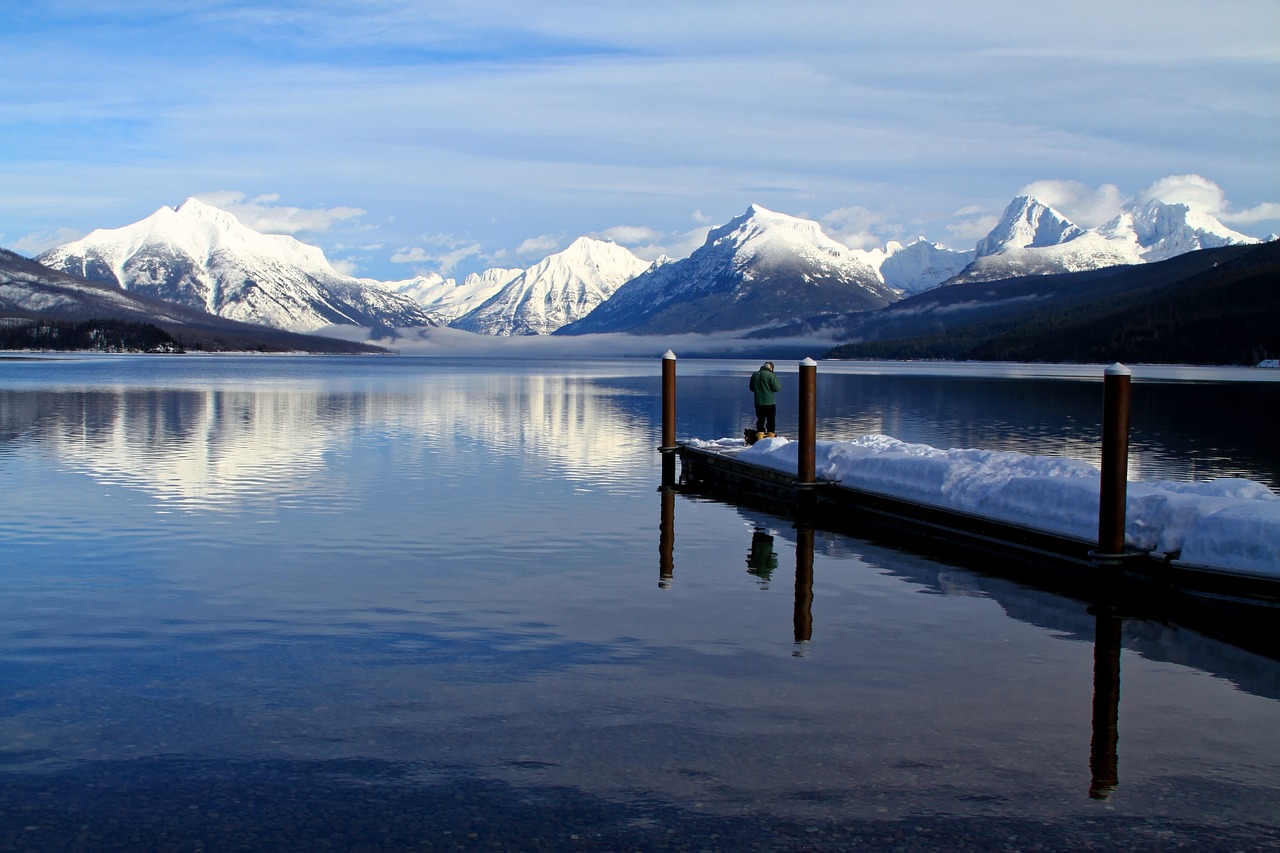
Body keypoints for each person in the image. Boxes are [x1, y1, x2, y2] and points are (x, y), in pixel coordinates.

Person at [748, 361, 781, 436]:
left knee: (760, 420)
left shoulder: (755, 375)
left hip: (758, 402)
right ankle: (770, 437)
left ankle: (760, 438)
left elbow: (751, 388)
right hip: (770, 402)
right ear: (771, 368)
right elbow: (777, 388)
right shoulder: (771, 375)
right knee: (770, 421)